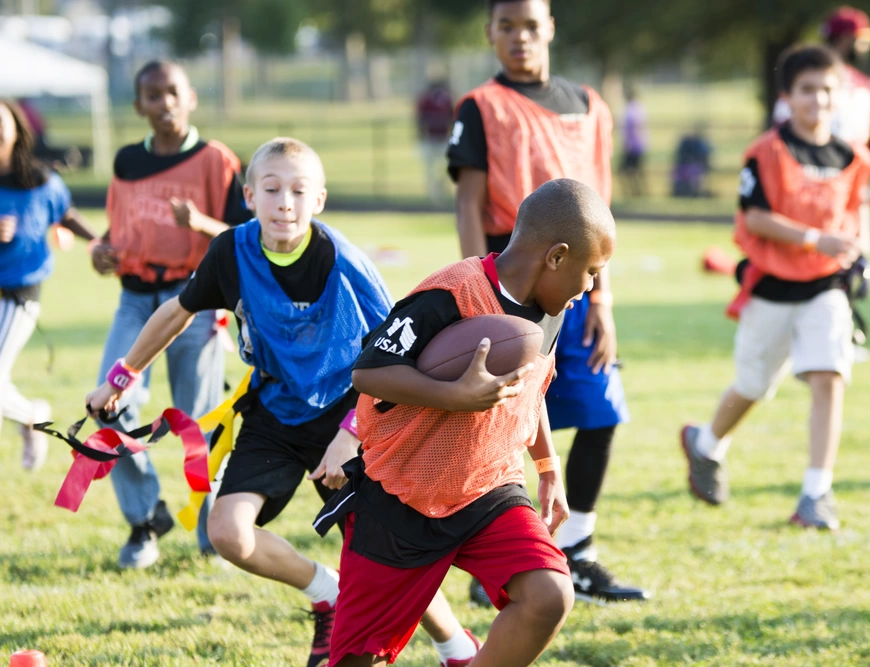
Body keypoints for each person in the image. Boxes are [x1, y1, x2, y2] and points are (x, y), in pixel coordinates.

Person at [86, 137, 481, 667]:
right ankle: (326, 592)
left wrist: (351, 432)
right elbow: (176, 312)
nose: (284, 203)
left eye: (298, 191)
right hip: (274, 409)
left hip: (348, 411)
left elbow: (397, 349)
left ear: (318, 200)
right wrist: (120, 376)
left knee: (384, 556)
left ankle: (457, 648)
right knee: (226, 532)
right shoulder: (230, 251)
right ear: (249, 195)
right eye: (271, 190)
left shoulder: (344, 260)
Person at [313, 178, 614, 666]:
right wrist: (453, 395)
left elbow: (529, 391)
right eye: (592, 272)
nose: (591, 288)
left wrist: (549, 466)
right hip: (401, 497)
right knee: (354, 660)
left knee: (549, 594)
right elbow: (368, 371)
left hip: (487, 491)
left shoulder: (551, 309)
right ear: (556, 257)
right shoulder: (450, 294)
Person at [446, 0, 646, 604]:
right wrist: (478, 290)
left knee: (602, 413)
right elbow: (469, 204)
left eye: (530, 26)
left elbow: (600, 208)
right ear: (490, 34)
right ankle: (502, 561)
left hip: (580, 287)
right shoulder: (481, 107)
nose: (519, 38)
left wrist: (604, 297)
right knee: (506, 424)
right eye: (506, 27)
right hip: (513, 287)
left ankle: (576, 549)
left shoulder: (590, 105)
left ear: (550, 28)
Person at [681, 45, 870, 531]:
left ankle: (816, 494)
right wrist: (814, 238)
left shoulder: (853, 155)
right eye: (807, 90)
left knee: (830, 376)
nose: (818, 100)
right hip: (771, 287)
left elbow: (859, 209)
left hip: (826, 286)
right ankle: (705, 444)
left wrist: (858, 249)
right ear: (788, 96)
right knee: (753, 385)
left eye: (827, 90)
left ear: (840, 95)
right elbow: (756, 217)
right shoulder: (766, 151)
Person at [88, 60, 251, 569]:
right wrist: (102, 251)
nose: (164, 104)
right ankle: (144, 522)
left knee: (198, 422)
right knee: (108, 406)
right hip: (135, 299)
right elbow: (117, 231)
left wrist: (199, 221)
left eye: (173, 93)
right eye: (152, 96)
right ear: (138, 105)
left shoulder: (217, 160)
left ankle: (212, 532)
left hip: (194, 298)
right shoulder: (126, 161)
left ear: (192, 96)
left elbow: (246, 239)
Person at [0, 99, 98, 470]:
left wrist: (99, 241)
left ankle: (30, 415)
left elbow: (67, 215)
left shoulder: (42, 181)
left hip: (18, 295)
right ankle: (31, 415)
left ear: (17, 129)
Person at [773, 6, 870, 209]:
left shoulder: (862, 83)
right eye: (863, 40)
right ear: (847, 39)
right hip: (805, 179)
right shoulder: (804, 79)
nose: (865, 47)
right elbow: (780, 134)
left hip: (850, 183)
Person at [416, 79, 455, 204]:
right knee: (430, 168)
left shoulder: (447, 100)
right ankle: (432, 193)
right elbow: (420, 118)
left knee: (446, 167)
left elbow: (452, 117)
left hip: (443, 138)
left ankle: (441, 189)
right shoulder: (426, 100)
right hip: (430, 139)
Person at [620, 88, 648, 198]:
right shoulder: (640, 107)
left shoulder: (630, 109)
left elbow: (633, 128)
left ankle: (634, 192)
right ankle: (639, 191)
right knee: (637, 170)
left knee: (627, 170)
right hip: (640, 145)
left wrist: (628, 144)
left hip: (633, 145)